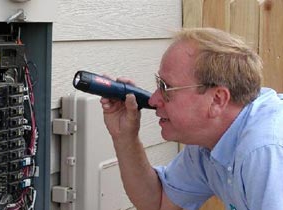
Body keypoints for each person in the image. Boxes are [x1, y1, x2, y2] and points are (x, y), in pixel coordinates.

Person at [99, 27, 283, 210]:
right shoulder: (210, 141)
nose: (154, 100)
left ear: (217, 100)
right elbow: (159, 203)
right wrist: (124, 136)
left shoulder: (265, 148)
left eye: (166, 88)